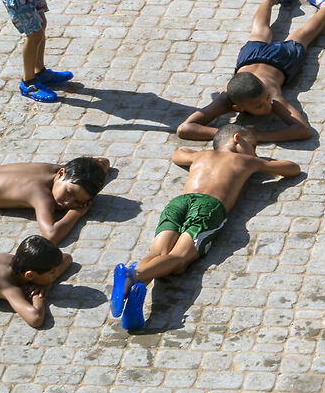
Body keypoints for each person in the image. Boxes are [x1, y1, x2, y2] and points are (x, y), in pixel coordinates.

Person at [111, 127, 303, 332]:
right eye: (253, 145)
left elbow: (178, 154)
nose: (255, 152)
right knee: (179, 259)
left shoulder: (201, 156)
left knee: (157, 253)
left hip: (179, 203)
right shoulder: (248, 161)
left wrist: (198, 155)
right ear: (237, 139)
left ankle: (131, 291)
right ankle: (134, 275)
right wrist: (260, 162)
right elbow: (293, 168)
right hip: (209, 208)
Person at [174, 0, 325, 144]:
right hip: (250, 57)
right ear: (238, 107)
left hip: (281, 61)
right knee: (258, 33)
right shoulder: (226, 100)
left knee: (302, 36)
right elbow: (183, 129)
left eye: (266, 100)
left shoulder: (270, 95)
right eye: (260, 106)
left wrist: (259, 136)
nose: (268, 106)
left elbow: (303, 130)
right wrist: (234, 134)